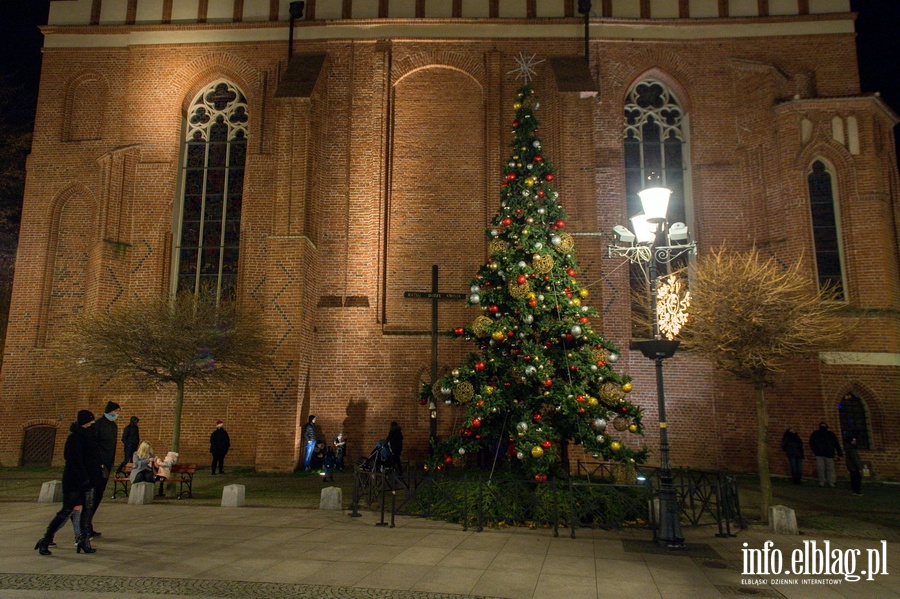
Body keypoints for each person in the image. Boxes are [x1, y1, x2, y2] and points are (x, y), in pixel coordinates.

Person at [34, 410, 103, 556]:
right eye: (90, 421)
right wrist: (84, 478)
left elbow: (94, 457)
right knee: (66, 511)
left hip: (90, 480)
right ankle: (46, 539)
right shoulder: (75, 438)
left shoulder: (91, 436)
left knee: (87, 512)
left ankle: (84, 540)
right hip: (75, 481)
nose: (92, 423)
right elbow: (74, 460)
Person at [90, 401, 120, 536]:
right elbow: (94, 445)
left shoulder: (113, 426)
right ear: (110, 411)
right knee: (92, 495)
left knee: (98, 495)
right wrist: (99, 462)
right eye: (116, 411)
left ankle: (87, 523)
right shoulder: (98, 425)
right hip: (97, 465)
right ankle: (84, 526)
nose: (118, 414)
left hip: (107, 465)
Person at [809, 421, 842, 488]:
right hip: (820, 453)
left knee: (829, 468)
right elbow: (811, 443)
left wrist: (839, 453)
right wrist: (815, 450)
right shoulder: (816, 433)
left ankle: (830, 482)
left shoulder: (830, 434)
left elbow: (836, 444)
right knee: (821, 468)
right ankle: (822, 481)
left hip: (828, 453)